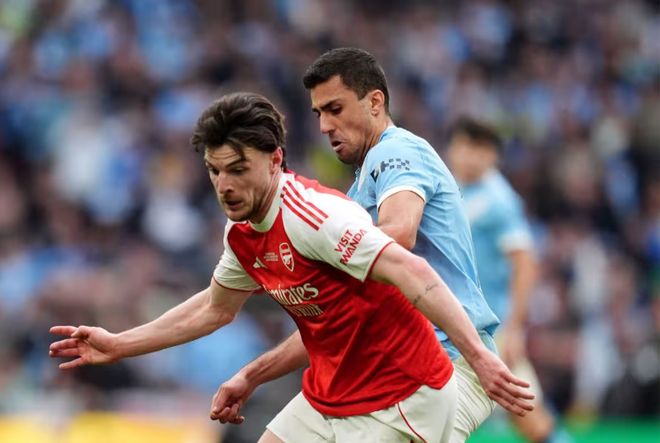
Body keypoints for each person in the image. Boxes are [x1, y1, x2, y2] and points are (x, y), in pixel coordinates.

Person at [49, 92, 533, 443]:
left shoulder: (315, 217)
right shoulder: (242, 231)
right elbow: (214, 309)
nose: (225, 185)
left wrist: (480, 357)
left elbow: (415, 272)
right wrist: (120, 344)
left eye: (238, 169)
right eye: (215, 170)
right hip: (332, 389)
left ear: (275, 160)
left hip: (403, 394)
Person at [210, 48, 521, 443]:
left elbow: (400, 234)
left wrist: (309, 256)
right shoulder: (359, 188)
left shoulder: (396, 151)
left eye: (335, 109)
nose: (325, 126)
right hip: (379, 365)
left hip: (444, 361)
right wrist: (253, 374)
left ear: (375, 102)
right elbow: (336, 317)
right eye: (319, 114)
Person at [446, 117, 560, 442]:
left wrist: (514, 328)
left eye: (478, 148)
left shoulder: (498, 200)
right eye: (463, 146)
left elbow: (525, 263)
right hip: (456, 324)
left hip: (491, 330)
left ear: (493, 155)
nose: (468, 156)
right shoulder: (453, 189)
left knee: (528, 417)